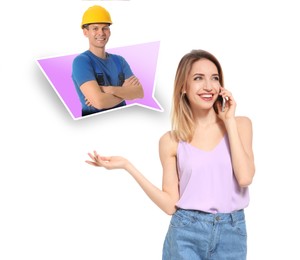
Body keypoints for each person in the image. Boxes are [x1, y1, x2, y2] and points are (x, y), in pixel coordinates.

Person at [85, 49, 255, 259]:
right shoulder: (171, 141)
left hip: (232, 233)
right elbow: (169, 205)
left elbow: (245, 177)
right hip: (186, 232)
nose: (208, 86)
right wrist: (128, 166)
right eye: (198, 78)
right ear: (184, 87)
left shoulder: (240, 125)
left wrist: (228, 120)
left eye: (215, 78)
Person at [72, 5, 144, 116]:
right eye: (95, 28)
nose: (101, 33)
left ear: (109, 31)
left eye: (105, 28)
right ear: (85, 32)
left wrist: (110, 90)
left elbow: (139, 92)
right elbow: (99, 103)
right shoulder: (81, 62)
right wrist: (125, 91)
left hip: (124, 120)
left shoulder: (120, 61)